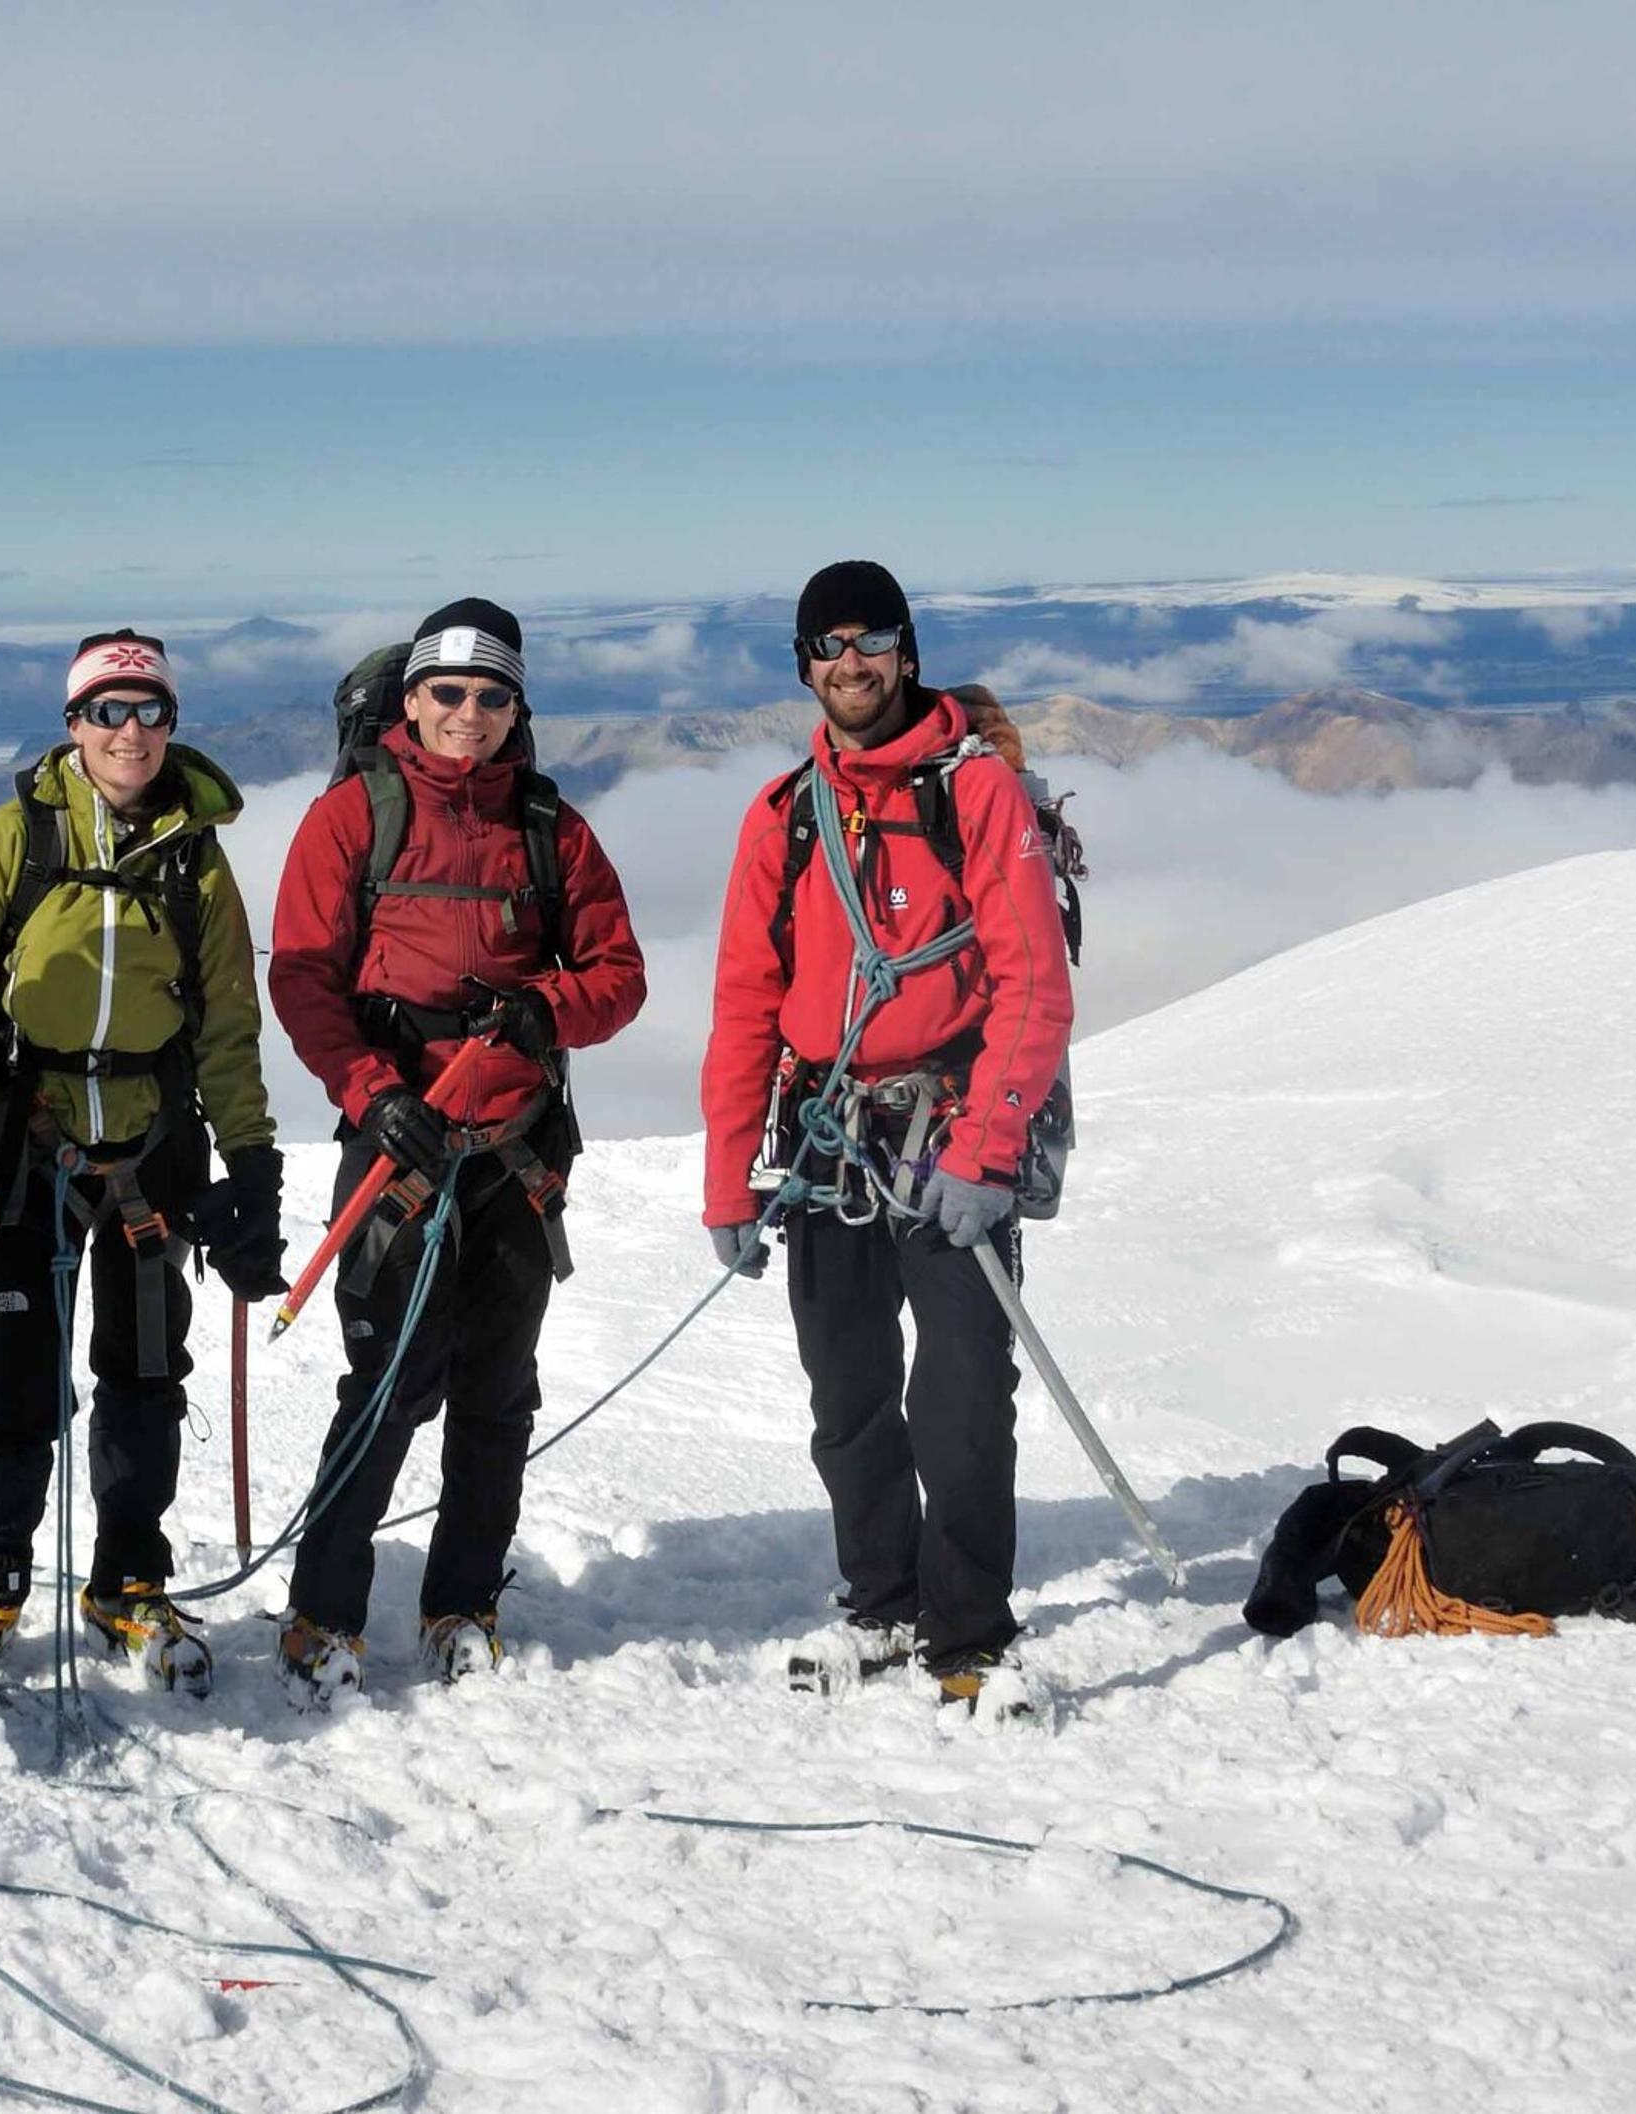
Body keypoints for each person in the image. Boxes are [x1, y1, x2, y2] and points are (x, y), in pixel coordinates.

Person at [0, 631, 289, 1694]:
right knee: (15, 1372)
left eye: (150, 710)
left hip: (152, 1144)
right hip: (30, 1142)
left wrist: (250, 1165)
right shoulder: (11, 840)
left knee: (146, 1373)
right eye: (108, 710)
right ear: (74, 726)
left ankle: (128, 1579)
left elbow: (230, 1027)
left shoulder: (197, 856)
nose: (131, 731)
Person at [696, 560, 1075, 1713]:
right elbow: (746, 999)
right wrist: (727, 1179)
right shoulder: (783, 814)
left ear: (907, 651)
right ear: (805, 666)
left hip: (950, 1125)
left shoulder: (977, 792)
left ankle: (969, 1630)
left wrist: (990, 1150)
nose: (849, 663)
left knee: (960, 1390)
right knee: (848, 1388)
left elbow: (1032, 986)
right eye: (827, 645)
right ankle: (883, 1603)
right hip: (824, 1135)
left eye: (871, 641)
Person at [260, 599, 647, 1704]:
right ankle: (323, 1613)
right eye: (447, 692)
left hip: (514, 1149)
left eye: (491, 695)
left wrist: (544, 1010)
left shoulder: (550, 825)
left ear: (516, 706)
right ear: (410, 698)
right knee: (387, 1382)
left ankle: (462, 1599)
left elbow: (618, 974)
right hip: (402, 1140)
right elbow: (304, 978)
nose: (467, 714)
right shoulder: (354, 817)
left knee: (496, 1388)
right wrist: (373, 1089)